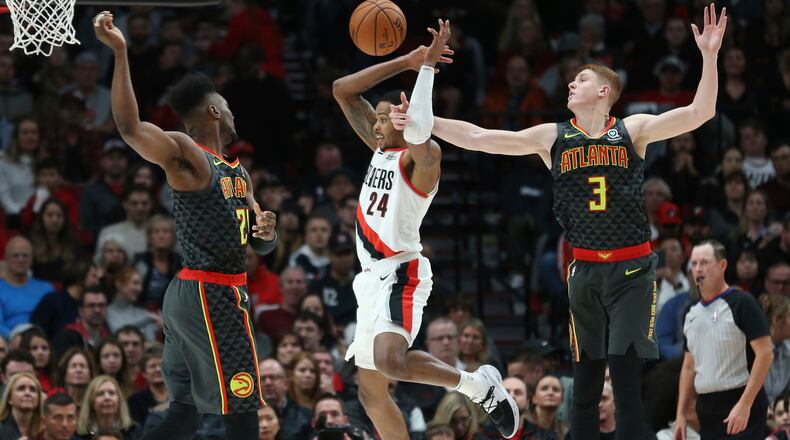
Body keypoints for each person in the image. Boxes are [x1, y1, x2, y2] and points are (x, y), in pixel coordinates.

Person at [390, 7, 728, 440]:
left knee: (625, 380)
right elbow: (479, 137)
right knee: (585, 383)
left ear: (605, 91)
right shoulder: (552, 136)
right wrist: (424, 122)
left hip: (632, 270)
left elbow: (701, 111)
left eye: (581, 80)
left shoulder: (632, 130)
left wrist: (710, 56)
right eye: (572, 79)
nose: (571, 82)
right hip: (585, 270)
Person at [93, 10, 279, 440]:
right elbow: (129, 127)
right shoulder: (188, 155)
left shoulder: (238, 172)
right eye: (228, 107)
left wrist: (267, 234)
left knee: (185, 411)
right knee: (242, 408)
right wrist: (121, 52)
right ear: (214, 110)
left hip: (199, 291)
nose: (233, 113)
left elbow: (261, 246)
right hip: (210, 290)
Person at [334, 19, 517, 439]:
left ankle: (477, 385)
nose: (377, 125)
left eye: (385, 118)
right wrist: (407, 60)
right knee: (371, 393)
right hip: (370, 279)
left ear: (403, 119)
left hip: (401, 270)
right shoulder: (378, 148)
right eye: (376, 119)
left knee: (392, 361)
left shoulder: (422, 161)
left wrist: (426, 74)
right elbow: (342, 90)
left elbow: (419, 133)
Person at [675, 240, 774, 439]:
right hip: (707, 408)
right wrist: (681, 415)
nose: (698, 269)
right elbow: (688, 366)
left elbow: (765, 354)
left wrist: (745, 404)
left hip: (741, 400)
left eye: (704, 262)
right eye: (694, 264)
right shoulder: (690, 312)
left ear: (722, 265)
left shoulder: (742, 302)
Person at [0, 236, 54, 339]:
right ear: (6, 259)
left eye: (25, 255)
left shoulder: (46, 288)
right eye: (15, 255)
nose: (21, 259)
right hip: (10, 344)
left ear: (31, 260)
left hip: (43, 342)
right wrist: (15, 339)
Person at [0, 371, 43, 439]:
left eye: (33, 390)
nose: (27, 393)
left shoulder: (45, 429)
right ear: (9, 398)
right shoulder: (1, 428)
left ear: (38, 400)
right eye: (21, 389)